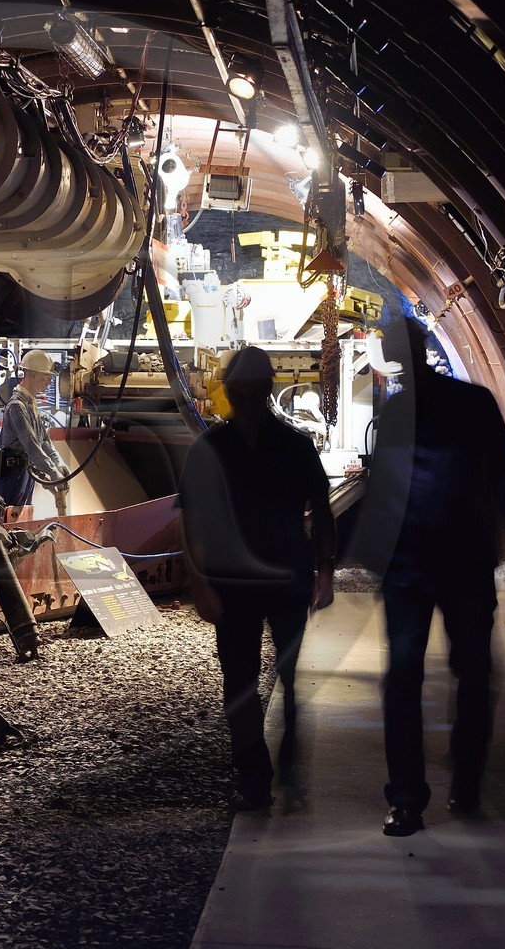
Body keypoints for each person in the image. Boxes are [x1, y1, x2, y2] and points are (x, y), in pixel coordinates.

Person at [356, 316, 505, 837]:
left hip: (421, 567)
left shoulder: (395, 415)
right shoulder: (473, 404)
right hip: (456, 564)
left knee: (405, 680)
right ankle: (461, 783)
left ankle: (409, 801)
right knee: (470, 672)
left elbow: (383, 492)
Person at [179, 346, 336, 810]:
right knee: (245, 680)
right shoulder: (221, 448)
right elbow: (192, 521)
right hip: (250, 579)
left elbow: (323, 512)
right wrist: (200, 584)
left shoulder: (266, 445)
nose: (245, 396)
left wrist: (325, 569)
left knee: (267, 676)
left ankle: (271, 761)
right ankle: (255, 773)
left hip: (271, 577)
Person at [0, 349, 70, 518]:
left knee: (24, 515)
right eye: (46, 376)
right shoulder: (17, 406)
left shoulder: (30, 404)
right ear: (33, 375)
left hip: (24, 470)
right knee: (10, 517)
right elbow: (31, 445)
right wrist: (54, 474)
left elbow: (43, 440)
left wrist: (59, 463)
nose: (50, 381)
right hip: (12, 474)